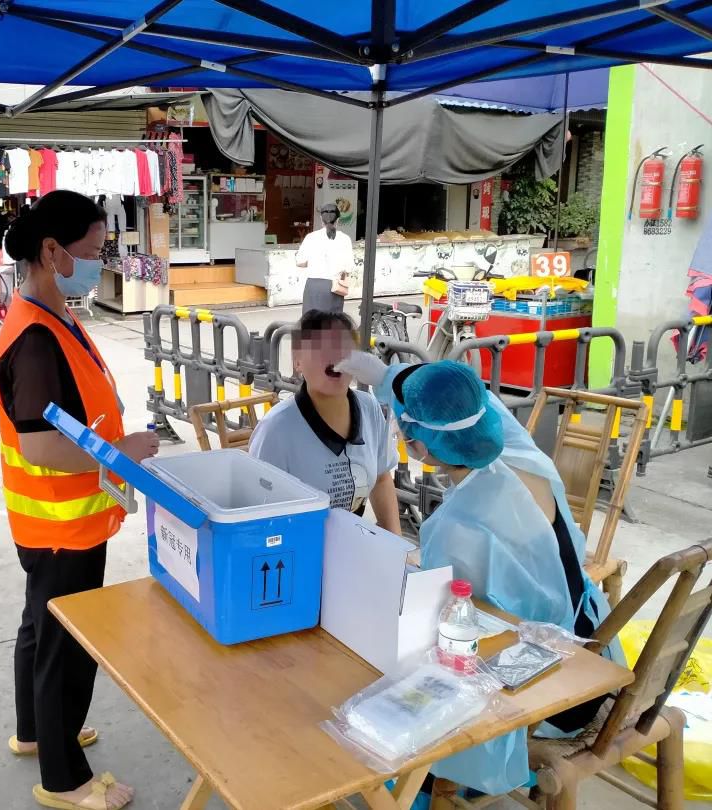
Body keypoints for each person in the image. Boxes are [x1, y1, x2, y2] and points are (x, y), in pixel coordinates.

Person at [340, 351, 622, 795]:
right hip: (592, 649)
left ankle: (419, 793)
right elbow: (476, 402)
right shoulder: (524, 456)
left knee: (379, 704)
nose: (396, 430)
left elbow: (447, 630)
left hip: (550, 693)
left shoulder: (460, 526)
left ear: (421, 449)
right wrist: (388, 376)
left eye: (402, 426)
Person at [0, 190, 158, 810]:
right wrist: (124, 452)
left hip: (55, 520)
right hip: (62, 522)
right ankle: (65, 779)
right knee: (66, 643)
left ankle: (36, 731)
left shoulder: (54, 313)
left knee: (41, 626)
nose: (98, 261)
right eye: (90, 251)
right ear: (52, 251)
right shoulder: (34, 338)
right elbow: (41, 447)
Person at [249, 310, 401, 534]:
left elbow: (381, 479)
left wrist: (396, 546)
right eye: (321, 346)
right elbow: (259, 513)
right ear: (297, 361)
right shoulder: (276, 429)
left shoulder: (369, 407)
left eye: (343, 346)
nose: (335, 355)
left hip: (354, 547)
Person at [295, 203, 354, 316]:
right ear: (338, 220)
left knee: (311, 324)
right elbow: (349, 267)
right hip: (334, 287)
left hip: (313, 286)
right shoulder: (345, 239)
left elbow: (300, 261)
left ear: (321, 219)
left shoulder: (311, 237)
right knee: (332, 324)